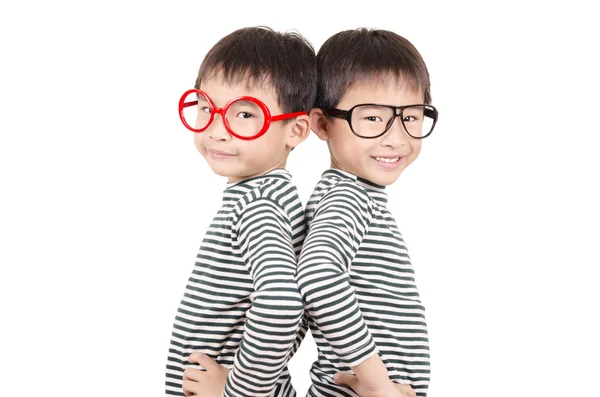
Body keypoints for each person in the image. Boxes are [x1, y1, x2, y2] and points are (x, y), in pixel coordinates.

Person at [165, 26, 316, 397]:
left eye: (245, 115)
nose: (217, 130)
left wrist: (235, 388)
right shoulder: (264, 195)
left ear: (295, 130)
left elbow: (281, 303)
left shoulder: (258, 205)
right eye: (206, 108)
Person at [295, 28, 438, 397]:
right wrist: (378, 385)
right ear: (322, 123)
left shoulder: (358, 196)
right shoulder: (348, 198)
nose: (397, 138)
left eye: (412, 116)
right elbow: (316, 276)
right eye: (372, 119)